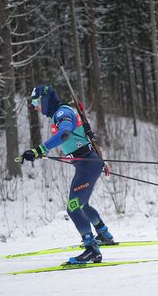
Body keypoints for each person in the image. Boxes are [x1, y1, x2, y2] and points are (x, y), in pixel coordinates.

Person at [20, 85, 114, 264]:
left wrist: (39, 149)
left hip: (87, 164)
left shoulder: (62, 113)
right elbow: (82, 138)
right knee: (82, 204)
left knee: (73, 206)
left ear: (45, 99)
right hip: (87, 163)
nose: (36, 107)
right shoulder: (60, 112)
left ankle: (92, 249)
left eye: (36, 102)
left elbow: (65, 133)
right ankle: (104, 234)